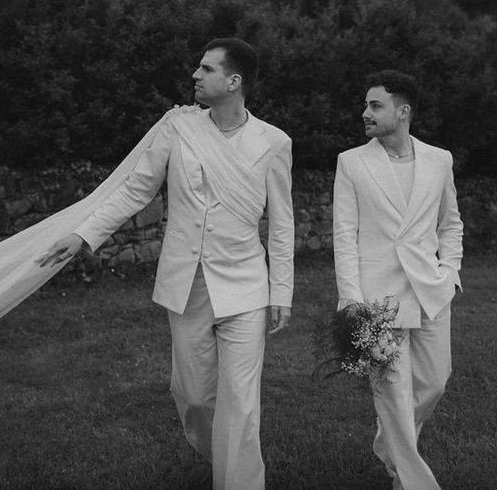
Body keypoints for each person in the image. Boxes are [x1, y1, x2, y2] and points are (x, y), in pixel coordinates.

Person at [40, 38, 295, 490]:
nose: (195, 75)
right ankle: (220, 455)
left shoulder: (274, 142)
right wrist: (84, 234)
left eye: (207, 69)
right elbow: (135, 190)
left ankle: (238, 480)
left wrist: (283, 292)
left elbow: (282, 223)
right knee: (194, 397)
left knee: (241, 401)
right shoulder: (177, 128)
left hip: (246, 285)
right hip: (187, 284)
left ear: (233, 82)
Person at [333, 70, 463, 490]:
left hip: (430, 290)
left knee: (434, 382)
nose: (365, 112)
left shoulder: (439, 160)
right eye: (366, 105)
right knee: (392, 393)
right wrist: (351, 299)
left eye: (376, 105)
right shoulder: (352, 162)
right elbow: (344, 235)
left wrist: (451, 271)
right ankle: (411, 480)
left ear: (403, 111)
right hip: (378, 297)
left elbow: (451, 223)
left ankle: (388, 441)